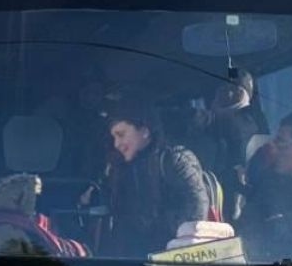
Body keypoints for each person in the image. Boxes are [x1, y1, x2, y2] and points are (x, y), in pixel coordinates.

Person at [85, 107, 213, 257]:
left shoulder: (175, 160)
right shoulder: (118, 167)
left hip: (171, 257)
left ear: (144, 131)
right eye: (113, 137)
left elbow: (195, 213)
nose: (116, 143)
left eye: (121, 135)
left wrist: (153, 228)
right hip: (128, 261)